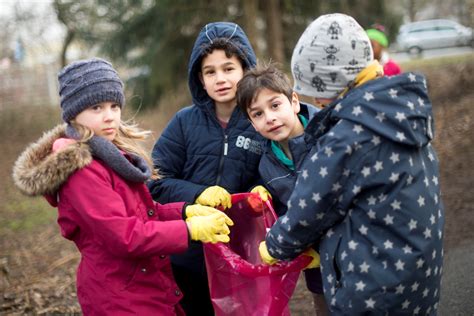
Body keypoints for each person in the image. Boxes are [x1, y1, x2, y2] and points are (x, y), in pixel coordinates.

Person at [12, 58, 234, 315]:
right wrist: (188, 230)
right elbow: (125, 236)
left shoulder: (111, 156)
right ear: (73, 114)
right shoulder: (82, 172)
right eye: (97, 107)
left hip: (145, 286)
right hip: (119, 297)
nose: (109, 116)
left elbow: (143, 212)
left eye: (114, 106)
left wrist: (186, 211)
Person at [259, 13, 444, 314]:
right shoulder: (401, 114)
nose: (317, 104)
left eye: (319, 96)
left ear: (334, 83)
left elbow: (312, 204)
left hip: (372, 288)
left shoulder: (349, 137)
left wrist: (275, 245)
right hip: (418, 274)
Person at [147, 22, 263, 315]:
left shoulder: (260, 121)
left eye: (228, 68)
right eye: (210, 72)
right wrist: (199, 194)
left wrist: (262, 192)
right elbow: (156, 182)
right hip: (187, 256)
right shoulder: (184, 123)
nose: (220, 79)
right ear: (199, 78)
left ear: (246, 69)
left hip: (242, 255)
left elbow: (275, 177)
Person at [237, 63, 328, 316]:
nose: (270, 118)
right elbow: (284, 210)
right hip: (316, 264)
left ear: (294, 102)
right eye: (258, 114)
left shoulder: (327, 138)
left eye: (275, 105)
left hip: (353, 253)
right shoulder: (267, 164)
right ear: (252, 123)